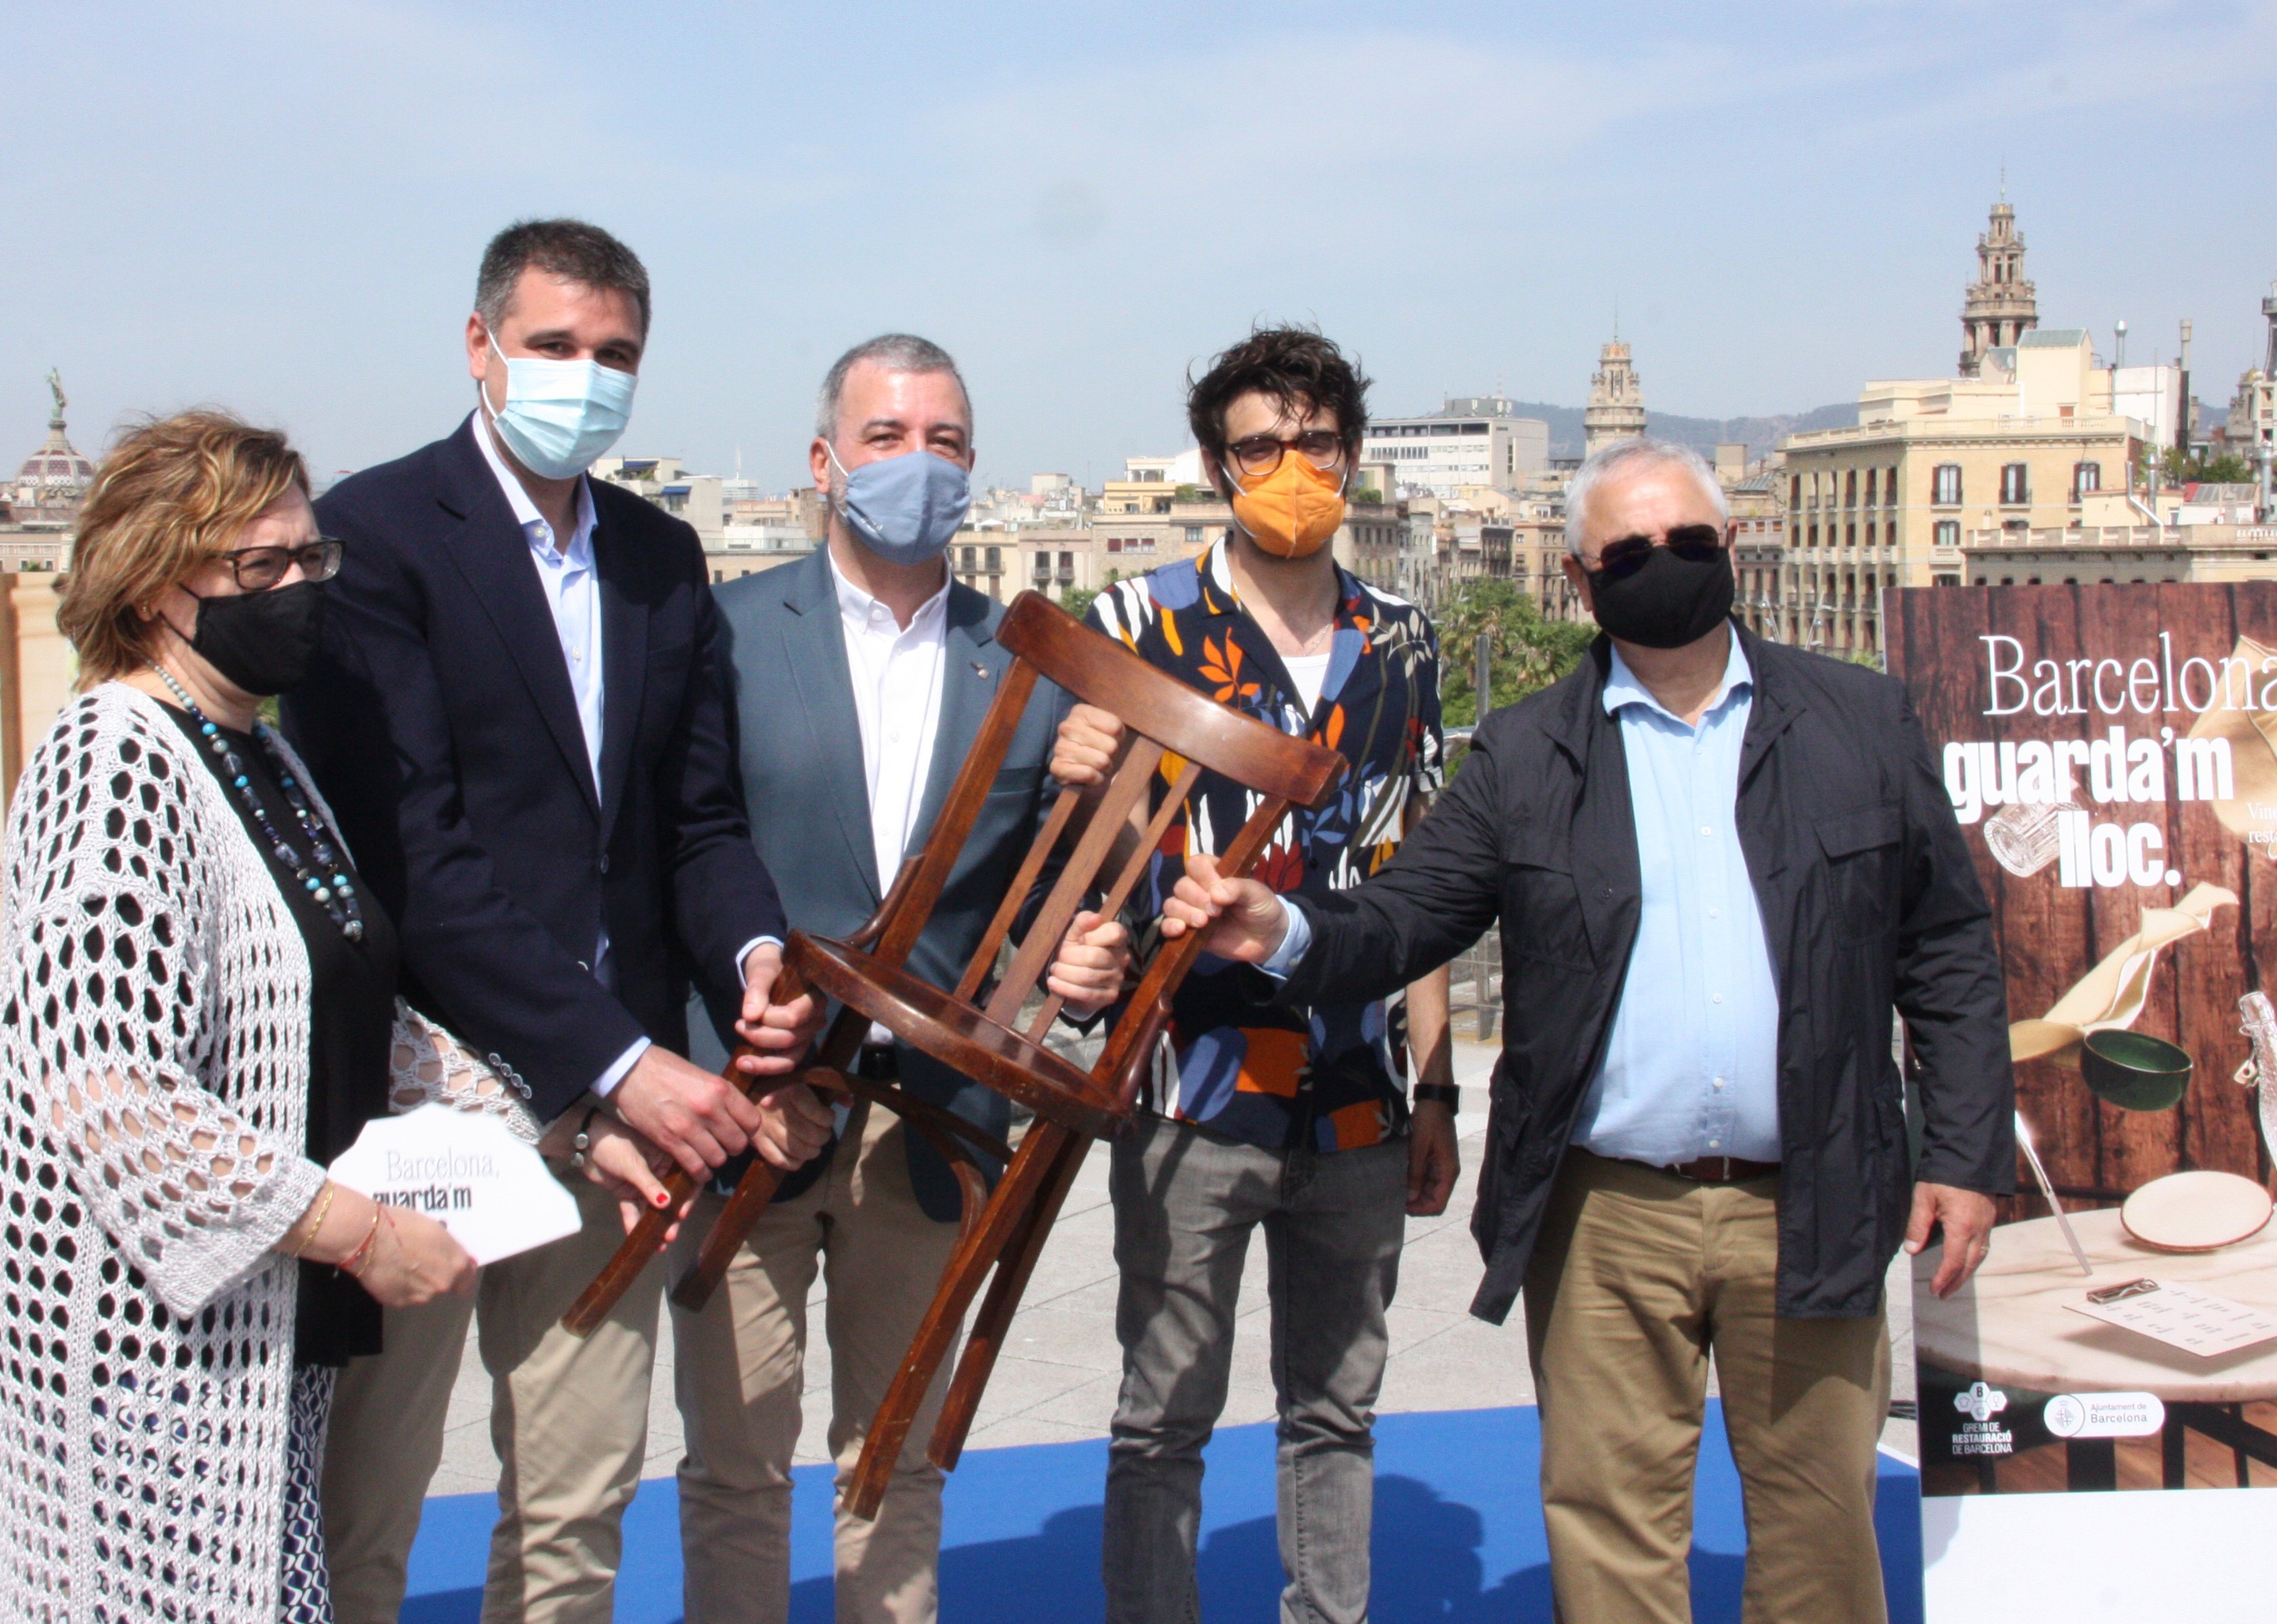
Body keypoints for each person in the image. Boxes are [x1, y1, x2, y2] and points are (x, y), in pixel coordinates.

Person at [1154, 435, 2017, 1624]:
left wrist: (1967, 1157)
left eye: (1690, 543)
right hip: (1605, 1215)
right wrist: (1287, 930)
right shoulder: (1526, 752)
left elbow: (1949, 950)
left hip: (1814, 1200)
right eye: (1630, 550)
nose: (1663, 564)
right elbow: (1409, 917)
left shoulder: (1859, 721)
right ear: (1579, 578)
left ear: (1735, 549)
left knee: (1821, 1535)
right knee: (1610, 1540)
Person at [288, 218, 816, 1624]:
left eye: (616, 355)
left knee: (576, 1512)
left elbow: (693, 824)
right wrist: (621, 1061)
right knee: (370, 1517)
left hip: (615, 1120)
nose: (586, 378)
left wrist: (756, 953)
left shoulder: (659, 556)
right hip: (429, 1103)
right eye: (555, 347)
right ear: (480, 346)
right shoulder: (375, 536)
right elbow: (411, 857)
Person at [0, 410, 482, 1623]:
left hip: (257, 1315)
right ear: (152, 585)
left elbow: (340, 1002)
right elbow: (112, 1088)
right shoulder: (115, 759)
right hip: (138, 1337)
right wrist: (356, 1230)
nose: (303, 588)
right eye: (263, 568)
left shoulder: (258, 751)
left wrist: (531, 1122)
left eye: (314, 559)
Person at [687, 334, 1130, 1624]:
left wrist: (1086, 955)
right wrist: (730, 1058)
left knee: (896, 1466)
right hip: (754, 1102)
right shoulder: (723, 634)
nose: (915, 465)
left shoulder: (1045, 663)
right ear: (825, 462)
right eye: (886, 438)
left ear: (973, 471)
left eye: (943, 442)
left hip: (936, 1123)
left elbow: (1060, 893)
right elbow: (682, 859)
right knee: (734, 1470)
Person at [1050, 326, 1457, 1624]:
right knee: (1161, 1413)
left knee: (1336, 1409)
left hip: (1356, 1093)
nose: (1292, 467)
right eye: (1261, 446)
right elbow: (1069, 851)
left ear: (1354, 455)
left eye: (1317, 444)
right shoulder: (1134, 623)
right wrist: (1068, 781)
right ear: (1219, 466)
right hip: (1189, 1084)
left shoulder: (1405, 644)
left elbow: (1424, 884)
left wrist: (1435, 1089)